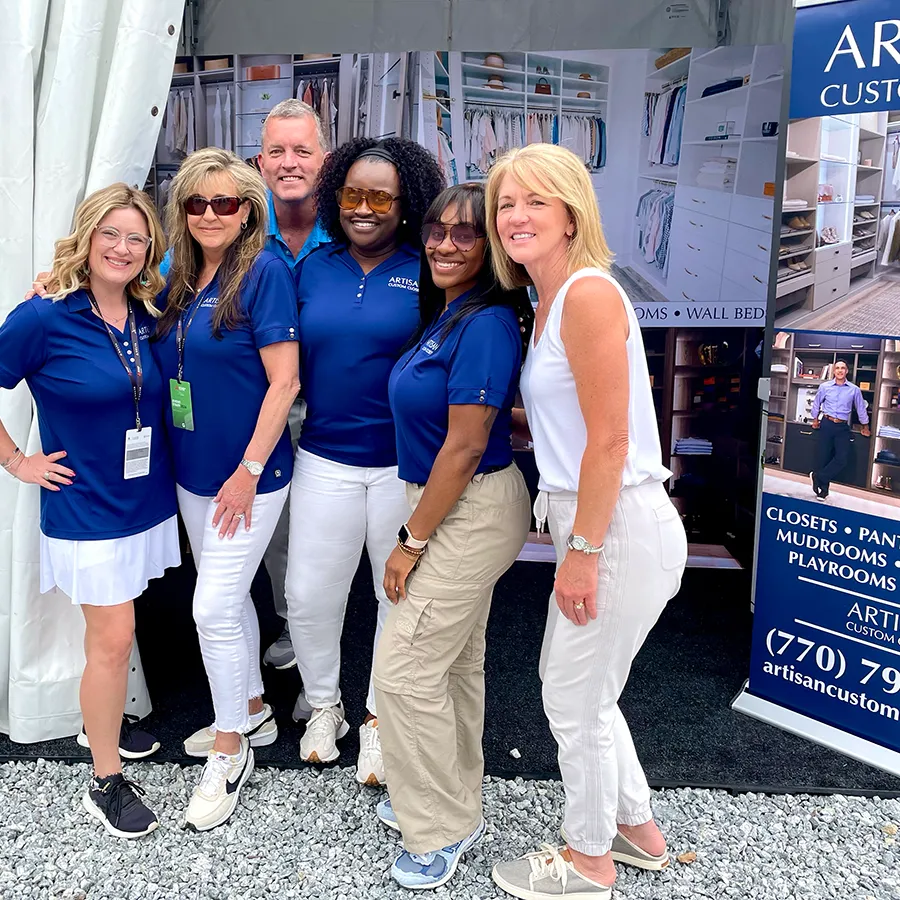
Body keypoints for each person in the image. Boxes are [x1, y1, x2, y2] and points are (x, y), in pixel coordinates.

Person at [485, 144, 688, 900]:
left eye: (536, 201)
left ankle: (588, 860)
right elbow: (573, 423)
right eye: (506, 203)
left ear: (572, 214)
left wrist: (582, 551)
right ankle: (637, 834)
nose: (517, 216)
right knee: (580, 690)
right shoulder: (553, 298)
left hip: (614, 527)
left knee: (573, 699)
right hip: (596, 518)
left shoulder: (589, 295)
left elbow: (612, 441)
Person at [0, 184, 180, 838]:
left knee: (114, 636)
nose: (123, 248)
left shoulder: (146, 311)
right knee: (112, 638)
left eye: (136, 238)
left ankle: (99, 723)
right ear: (86, 236)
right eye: (110, 233)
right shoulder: (44, 315)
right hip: (85, 507)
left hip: (144, 502)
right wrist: (17, 460)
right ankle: (104, 780)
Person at [372, 183, 533, 890]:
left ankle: (436, 828)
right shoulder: (452, 312)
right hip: (454, 502)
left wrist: (410, 541)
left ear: (491, 247)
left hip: (468, 505)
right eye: (436, 230)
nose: (443, 243)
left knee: (403, 673)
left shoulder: (487, 322)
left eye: (465, 234)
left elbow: (464, 449)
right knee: (454, 664)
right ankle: (446, 796)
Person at [284, 138, 445, 784]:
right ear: (334, 197)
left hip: (402, 467)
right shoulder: (312, 268)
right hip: (323, 457)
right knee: (308, 594)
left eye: (381, 196)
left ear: (406, 205)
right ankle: (326, 706)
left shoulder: (429, 268)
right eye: (353, 193)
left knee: (395, 595)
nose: (364, 207)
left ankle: (381, 717)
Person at [153, 147, 300, 831]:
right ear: (182, 212)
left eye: (226, 202)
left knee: (211, 608)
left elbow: (286, 382)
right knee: (229, 596)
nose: (211, 214)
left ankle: (230, 748)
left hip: (249, 475)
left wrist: (246, 472)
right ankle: (251, 709)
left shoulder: (263, 270)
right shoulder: (178, 276)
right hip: (191, 471)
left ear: (248, 210)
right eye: (196, 203)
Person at [159, 99, 331, 671]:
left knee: (310, 557)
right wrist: (60, 279)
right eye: (277, 151)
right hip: (250, 422)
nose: (289, 162)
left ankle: (315, 679)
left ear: (322, 159)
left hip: (323, 420)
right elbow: (132, 282)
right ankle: (271, 658)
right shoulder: (199, 257)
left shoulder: (351, 229)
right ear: (260, 162)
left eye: (301, 150)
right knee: (267, 554)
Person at [809, 359, 870, 501]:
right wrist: (815, 419)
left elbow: (860, 408)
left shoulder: (854, 389)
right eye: (837, 368)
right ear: (834, 371)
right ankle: (823, 491)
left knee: (841, 459)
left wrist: (865, 426)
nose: (840, 370)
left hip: (842, 426)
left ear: (847, 371)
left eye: (843, 368)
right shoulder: (825, 387)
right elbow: (817, 403)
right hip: (827, 424)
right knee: (824, 457)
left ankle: (818, 476)